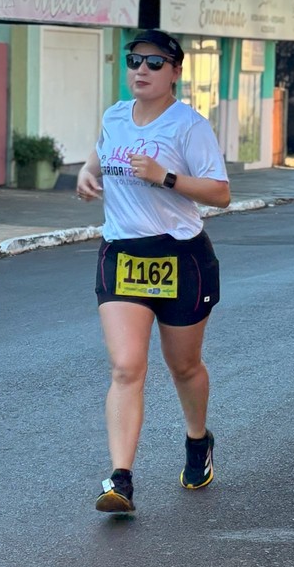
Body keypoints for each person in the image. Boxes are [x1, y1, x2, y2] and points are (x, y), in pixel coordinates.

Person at [77, 30, 231, 514]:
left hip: (180, 258)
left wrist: (164, 176)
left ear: (175, 73)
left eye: (154, 63)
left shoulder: (189, 126)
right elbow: (103, 151)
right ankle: (120, 479)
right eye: (134, 60)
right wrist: (87, 172)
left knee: (183, 366)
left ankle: (197, 440)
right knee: (126, 367)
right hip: (123, 254)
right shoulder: (115, 115)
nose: (141, 70)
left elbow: (220, 193)